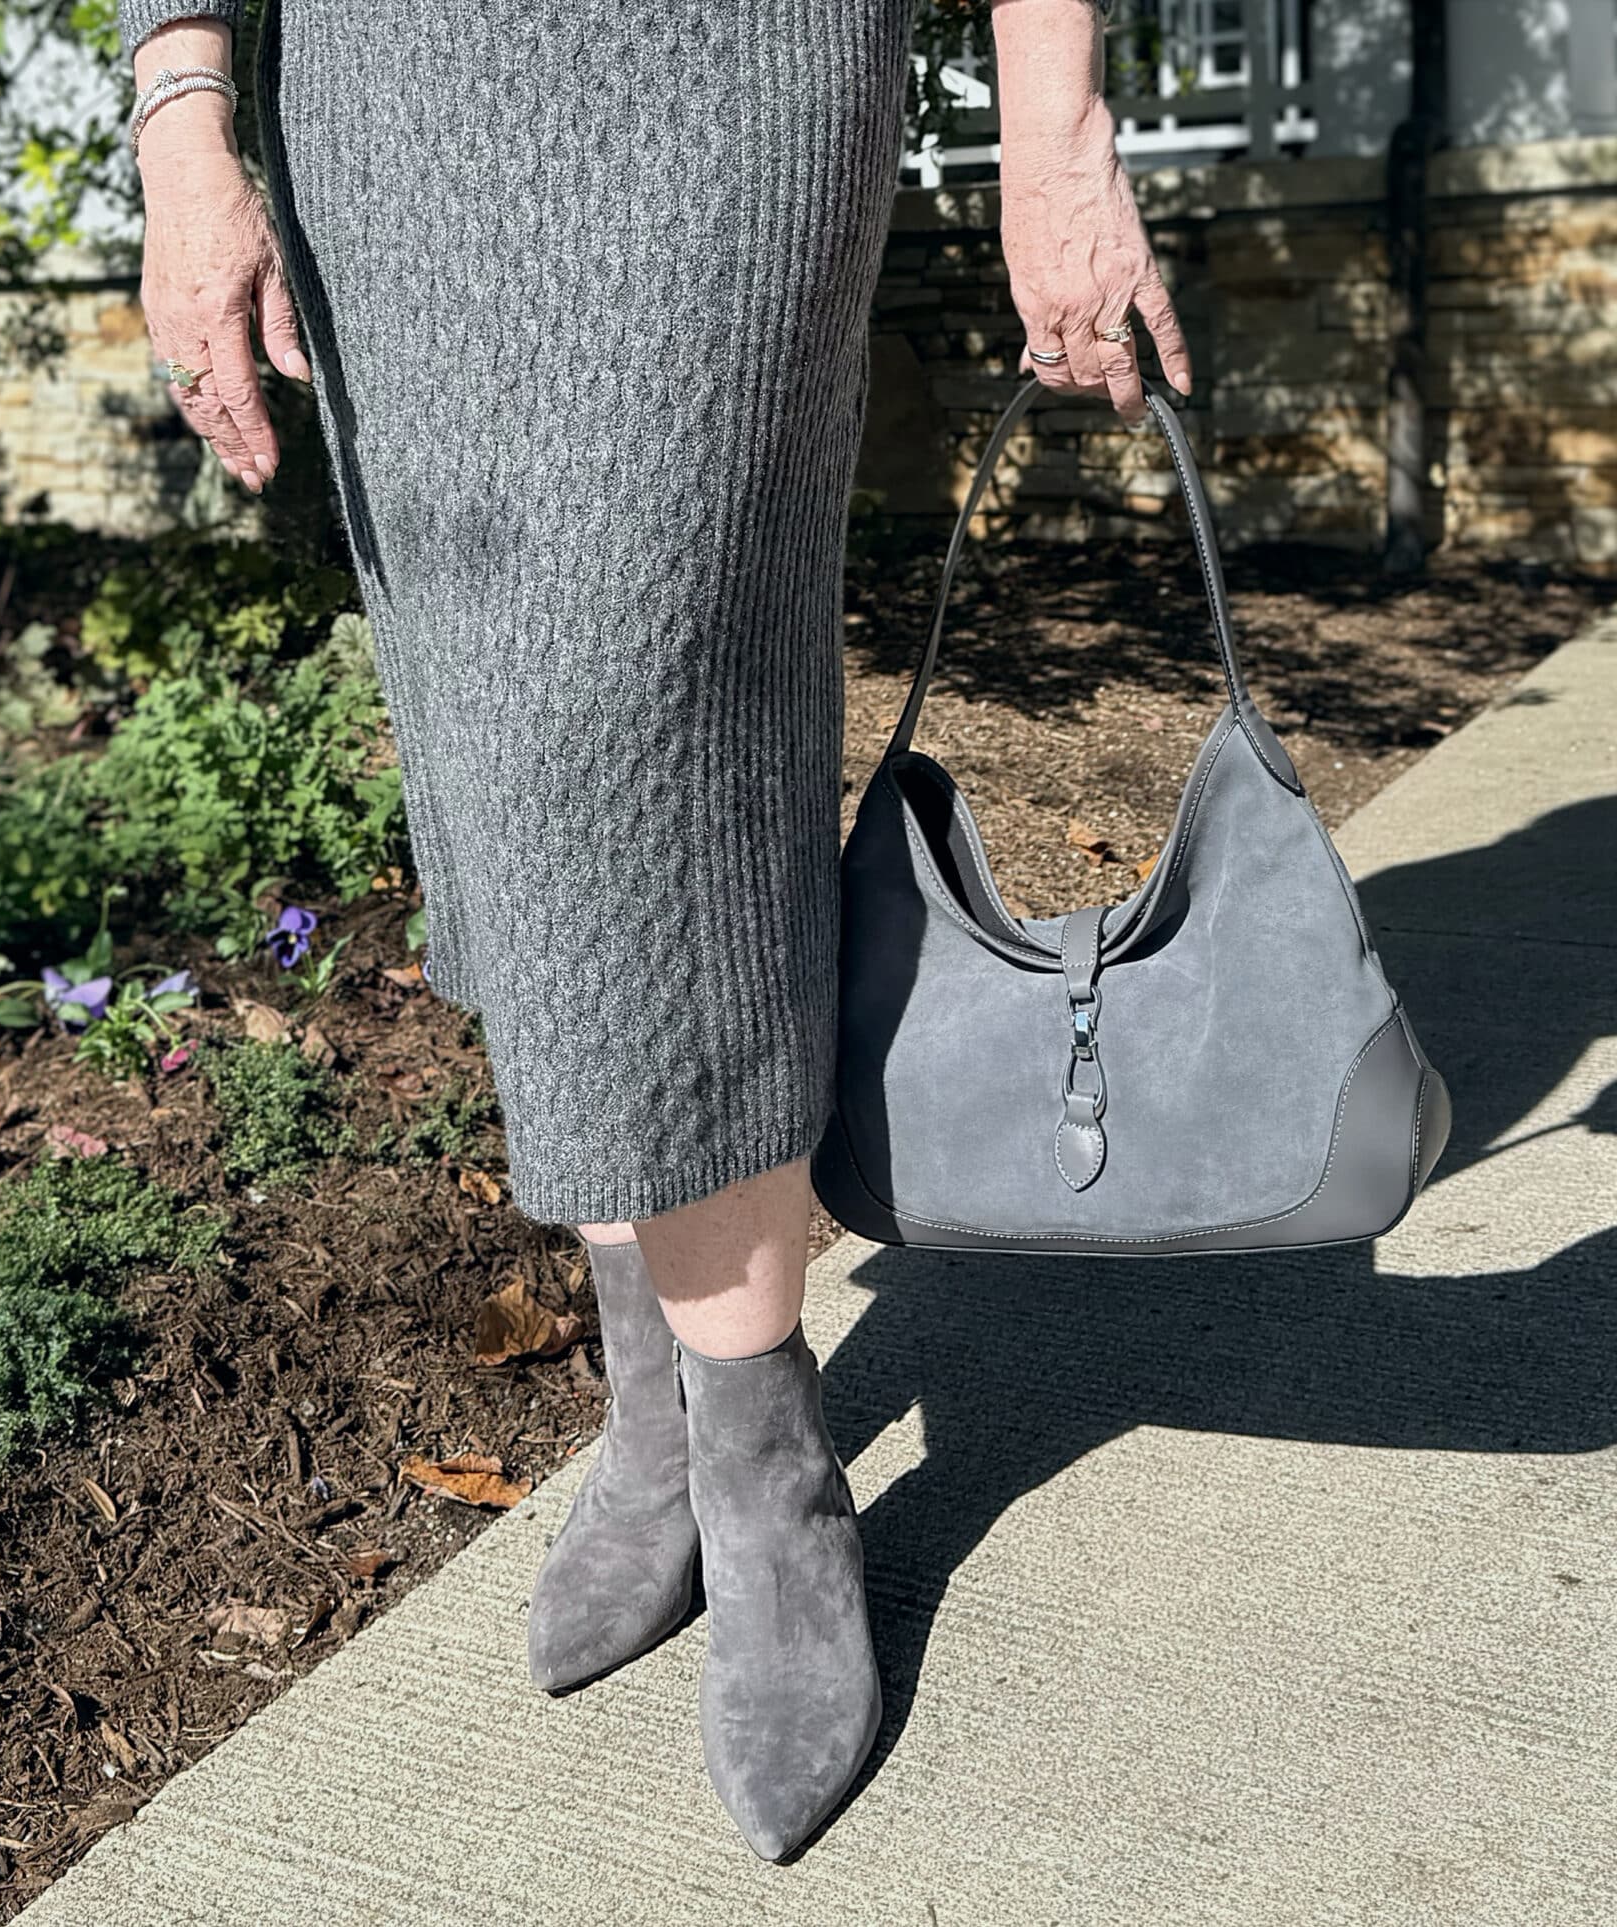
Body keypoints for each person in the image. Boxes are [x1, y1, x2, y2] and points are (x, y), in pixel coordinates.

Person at [116, 0, 1191, 1862]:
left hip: (733, 72)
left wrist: (1055, 125)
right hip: (387, 104)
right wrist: (181, 120)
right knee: (506, 744)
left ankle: (767, 1466)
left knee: (641, 721)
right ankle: (662, 1414)